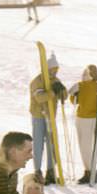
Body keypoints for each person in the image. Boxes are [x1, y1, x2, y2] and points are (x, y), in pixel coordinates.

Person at [69, 64, 97, 184]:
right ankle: (88, 172)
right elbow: (74, 101)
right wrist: (73, 94)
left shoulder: (96, 87)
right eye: (83, 74)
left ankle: (92, 172)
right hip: (80, 118)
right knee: (82, 147)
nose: (83, 76)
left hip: (91, 119)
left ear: (92, 75)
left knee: (87, 147)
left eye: (86, 74)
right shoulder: (80, 86)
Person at [29, 51, 67, 185]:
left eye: (56, 70)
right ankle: (37, 171)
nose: (54, 72)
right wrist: (52, 92)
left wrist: (62, 91)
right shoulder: (37, 81)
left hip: (51, 116)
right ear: (46, 68)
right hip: (39, 116)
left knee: (52, 143)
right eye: (52, 69)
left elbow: (63, 96)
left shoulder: (56, 80)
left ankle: (51, 171)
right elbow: (39, 98)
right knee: (38, 143)